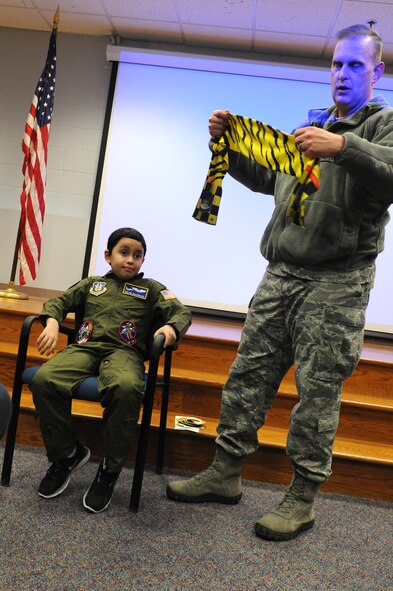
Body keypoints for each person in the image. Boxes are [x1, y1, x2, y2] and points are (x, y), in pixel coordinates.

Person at [167, 24, 393, 540]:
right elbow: (270, 179)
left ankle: (301, 498)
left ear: (376, 71)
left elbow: (390, 173)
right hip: (281, 273)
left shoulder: (382, 126)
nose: (342, 73)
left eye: (355, 65)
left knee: (316, 394)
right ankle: (225, 473)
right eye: (337, 64)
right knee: (248, 375)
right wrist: (227, 144)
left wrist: (342, 147)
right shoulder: (310, 126)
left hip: (336, 283)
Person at [30, 227, 191, 513]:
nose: (130, 260)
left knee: (127, 387)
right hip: (84, 349)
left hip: (124, 354)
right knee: (44, 379)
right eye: (124, 252)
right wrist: (53, 322)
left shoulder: (151, 289)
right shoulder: (92, 284)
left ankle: (109, 469)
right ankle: (67, 454)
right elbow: (59, 301)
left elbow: (181, 312)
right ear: (108, 255)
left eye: (138, 256)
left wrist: (170, 327)